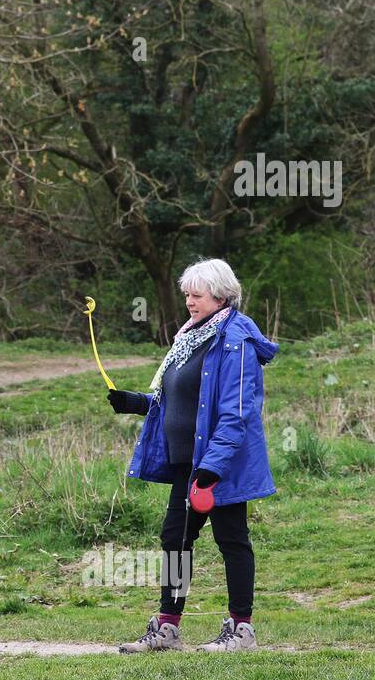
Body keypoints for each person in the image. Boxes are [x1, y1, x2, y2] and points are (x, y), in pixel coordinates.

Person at [106, 259, 279, 652]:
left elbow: (237, 414)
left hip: (221, 465)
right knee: (175, 538)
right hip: (189, 462)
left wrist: (211, 469)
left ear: (220, 296)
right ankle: (167, 628)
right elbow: (183, 402)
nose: (188, 301)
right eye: (186, 294)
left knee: (232, 539)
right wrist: (138, 403)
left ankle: (241, 631)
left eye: (196, 295)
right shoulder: (189, 337)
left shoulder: (235, 339)